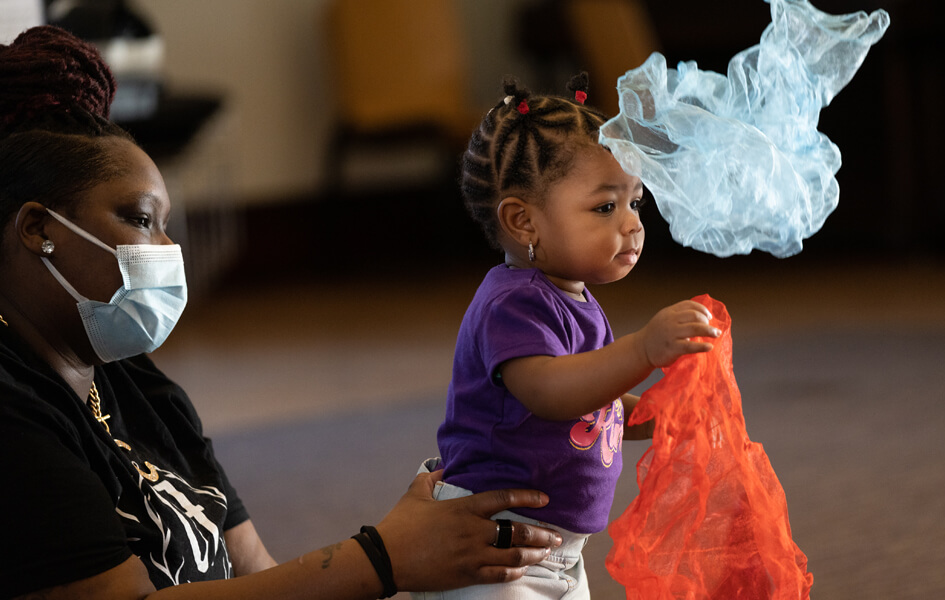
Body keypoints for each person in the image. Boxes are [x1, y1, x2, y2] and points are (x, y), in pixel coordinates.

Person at [0, 25, 563, 600]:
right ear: (39, 229)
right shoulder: (13, 410)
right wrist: (384, 558)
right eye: (142, 219)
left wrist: (419, 555)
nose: (169, 250)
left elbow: (258, 577)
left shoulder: (134, 381)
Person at [422, 75, 722, 599]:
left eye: (636, 203)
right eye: (606, 207)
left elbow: (594, 404)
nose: (632, 225)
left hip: (558, 552)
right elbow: (553, 393)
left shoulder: (574, 298)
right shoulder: (512, 302)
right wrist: (642, 348)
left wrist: (658, 411)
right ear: (524, 222)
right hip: (490, 547)